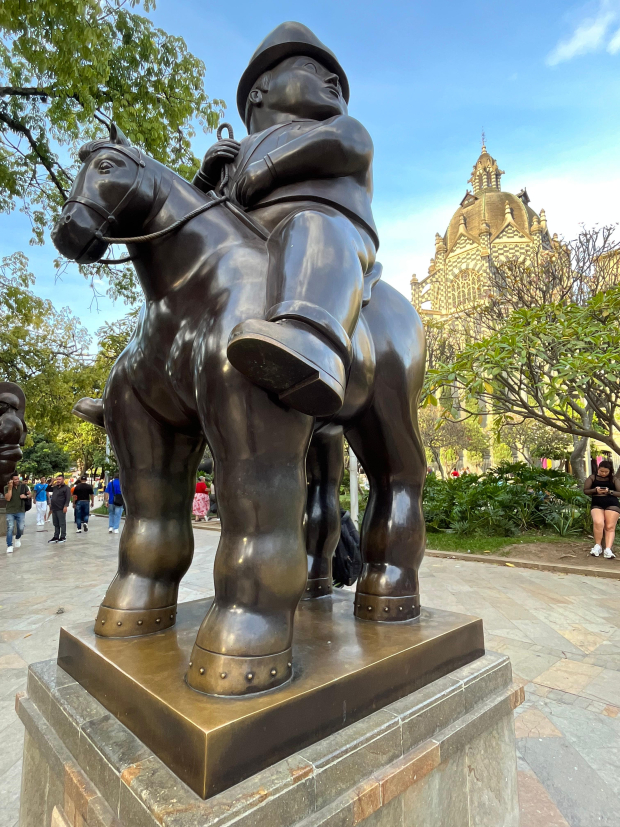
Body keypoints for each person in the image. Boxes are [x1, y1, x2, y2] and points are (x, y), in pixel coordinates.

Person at [193, 22, 378, 419]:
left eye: (335, 78)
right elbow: (199, 226)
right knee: (181, 274)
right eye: (311, 69)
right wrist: (203, 181)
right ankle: (144, 383)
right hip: (249, 248)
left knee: (308, 226)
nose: (332, 79)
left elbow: (347, 146)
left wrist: (269, 169)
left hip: (331, 237)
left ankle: (310, 343)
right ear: (259, 90)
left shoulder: (339, 128)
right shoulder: (235, 151)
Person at [584, 459, 619, 559]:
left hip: (612, 503)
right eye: (601, 471)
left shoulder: (614, 479)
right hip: (597, 503)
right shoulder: (592, 477)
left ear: (610, 471)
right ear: (598, 469)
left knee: (610, 526)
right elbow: (586, 490)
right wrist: (595, 490)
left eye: (606, 472)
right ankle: (597, 546)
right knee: (598, 522)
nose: (603, 473)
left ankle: (608, 549)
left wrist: (609, 492)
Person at [4, 472, 30, 553]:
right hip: (10, 511)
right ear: (11, 480)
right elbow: (8, 499)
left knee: (21, 528)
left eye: (18, 479)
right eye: (15, 479)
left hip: (20, 510)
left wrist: (26, 496)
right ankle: (9, 545)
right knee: (10, 528)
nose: (17, 480)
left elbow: (30, 495)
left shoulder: (23, 486)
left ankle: (17, 538)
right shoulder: (6, 487)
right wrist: (10, 488)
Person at [48, 474, 70, 544]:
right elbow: (47, 489)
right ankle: (56, 536)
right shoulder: (55, 487)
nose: (58, 481)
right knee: (56, 523)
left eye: (59, 479)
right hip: (54, 508)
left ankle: (63, 536)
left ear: (63, 480)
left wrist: (65, 506)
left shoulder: (66, 488)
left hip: (61, 508)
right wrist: (51, 482)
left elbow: (68, 498)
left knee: (62, 523)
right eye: (57, 479)